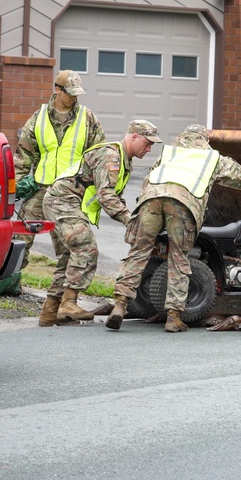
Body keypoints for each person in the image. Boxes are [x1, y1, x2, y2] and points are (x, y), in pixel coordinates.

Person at [106, 124, 241, 333]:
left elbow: (149, 179)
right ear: (203, 139)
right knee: (179, 257)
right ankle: (173, 317)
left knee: (138, 253)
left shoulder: (169, 154)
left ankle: (119, 305)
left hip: (151, 201)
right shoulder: (211, 158)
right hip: (182, 205)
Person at [38, 120, 161, 326]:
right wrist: (130, 221)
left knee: (70, 256)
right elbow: (106, 196)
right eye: (147, 143)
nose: (149, 149)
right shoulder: (112, 156)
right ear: (134, 137)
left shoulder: (123, 160)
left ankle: (51, 313)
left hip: (62, 202)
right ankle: (68, 303)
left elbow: (113, 195)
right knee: (86, 249)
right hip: (62, 201)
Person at [12, 70, 105, 275]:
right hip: (41, 190)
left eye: (76, 94)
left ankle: (63, 295)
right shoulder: (39, 117)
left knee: (68, 244)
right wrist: (15, 187)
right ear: (57, 89)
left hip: (70, 194)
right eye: (70, 93)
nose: (74, 98)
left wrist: (94, 188)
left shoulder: (87, 118)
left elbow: (99, 154)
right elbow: (23, 155)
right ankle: (8, 280)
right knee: (20, 236)